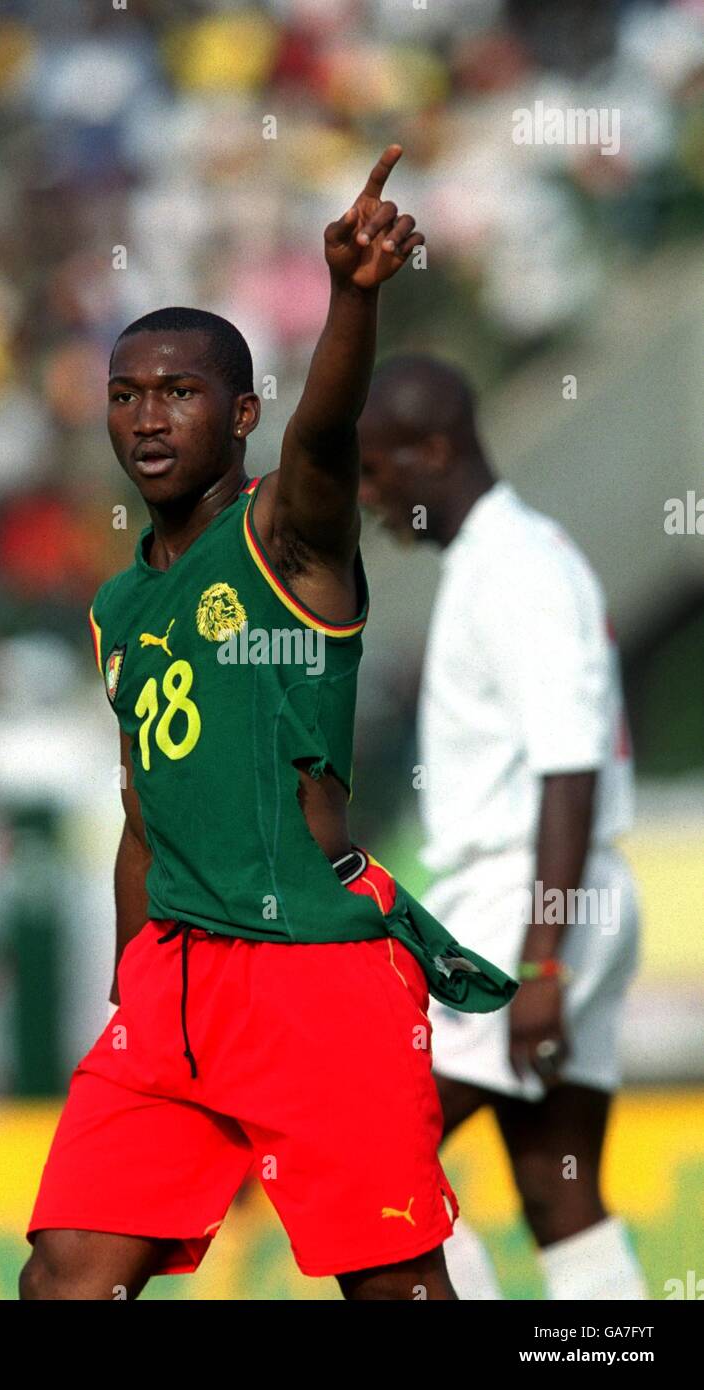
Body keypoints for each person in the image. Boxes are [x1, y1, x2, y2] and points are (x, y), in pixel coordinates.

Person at [19, 150, 514, 1302]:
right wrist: (127, 989)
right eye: (126, 393)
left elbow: (328, 438)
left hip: (316, 989)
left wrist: (351, 295)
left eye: (179, 392)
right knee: (65, 1276)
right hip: (171, 990)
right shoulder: (118, 605)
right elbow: (143, 811)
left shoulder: (288, 539)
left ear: (241, 413)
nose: (147, 417)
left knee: (394, 1287)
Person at [358, 354, 647, 1300]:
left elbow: (571, 768)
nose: (367, 497)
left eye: (377, 470)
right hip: (549, 895)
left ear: (433, 451)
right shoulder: (506, 558)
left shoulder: (517, 565)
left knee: (372, 1155)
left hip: (526, 900)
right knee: (557, 1192)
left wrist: (542, 963)